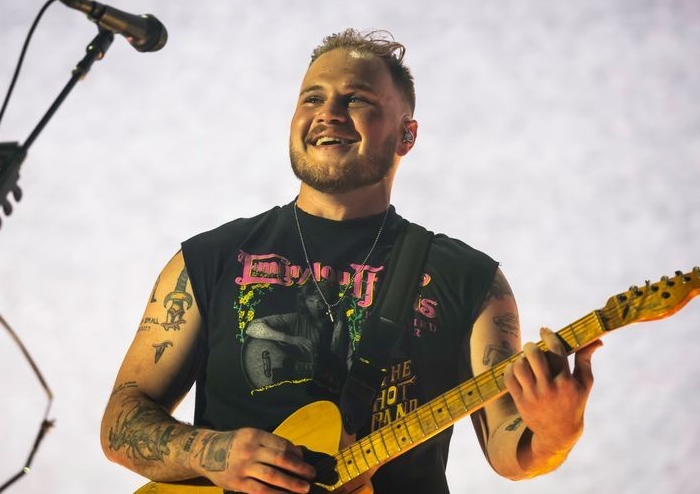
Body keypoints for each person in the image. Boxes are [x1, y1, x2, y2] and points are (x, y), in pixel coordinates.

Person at [100, 29, 603, 493]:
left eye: (356, 100)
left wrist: (555, 432)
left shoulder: (469, 279)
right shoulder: (209, 258)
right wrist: (213, 452)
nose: (328, 113)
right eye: (312, 98)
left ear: (406, 135)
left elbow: (508, 447)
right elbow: (121, 422)